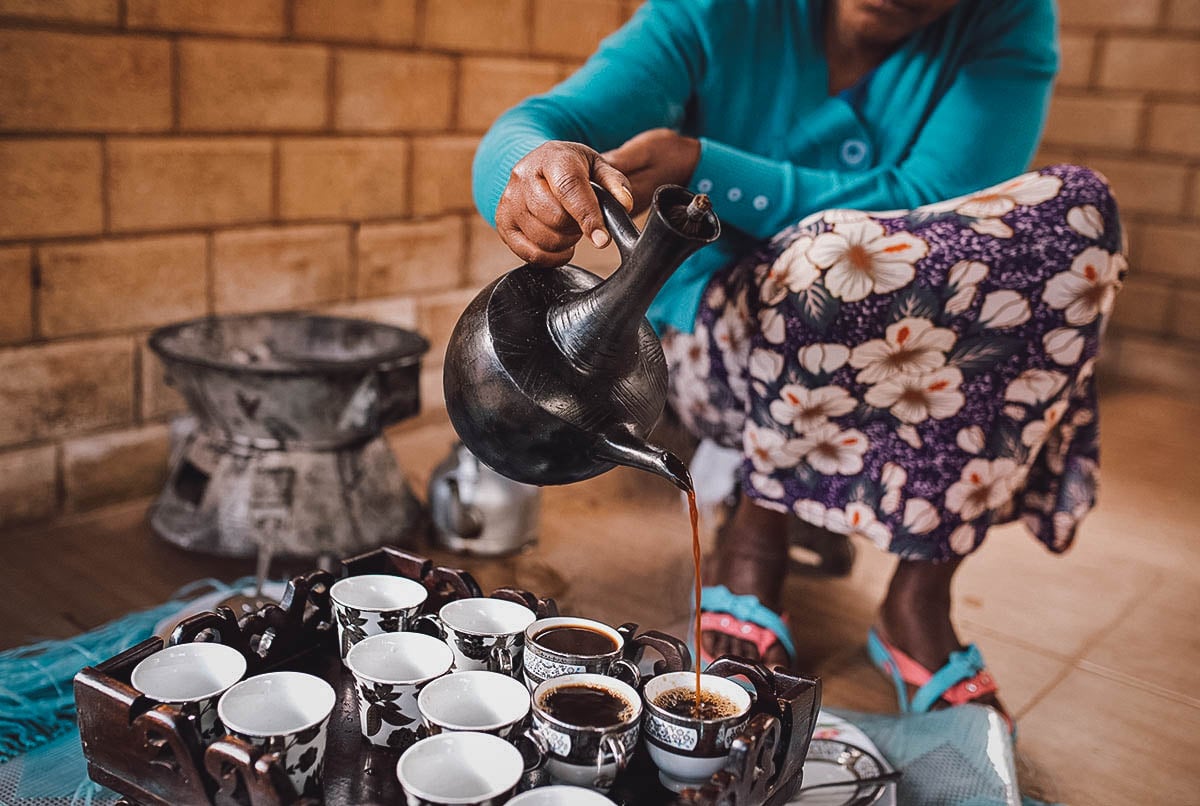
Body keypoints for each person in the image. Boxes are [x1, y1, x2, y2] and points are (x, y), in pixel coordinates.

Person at [472, 0, 1122, 730]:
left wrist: (702, 165)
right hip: (724, 351)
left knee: (1077, 218)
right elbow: (542, 123)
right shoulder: (716, 12)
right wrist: (526, 173)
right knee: (822, 257)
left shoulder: (1009, 20)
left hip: (916, 341)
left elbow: (928, 206)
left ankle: (919, 598)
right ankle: (758, 537)